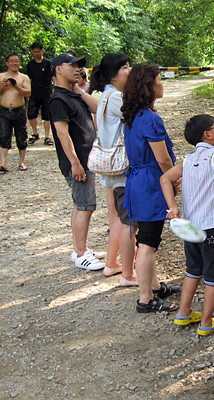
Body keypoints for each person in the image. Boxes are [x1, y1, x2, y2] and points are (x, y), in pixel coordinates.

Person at [161, 114, 214, 335]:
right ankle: (205, 322)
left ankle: (183, 313)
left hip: (190, 226)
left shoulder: (188, 160)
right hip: (213, 226)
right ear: (208, 134)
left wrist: (173, 206)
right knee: (213, 276)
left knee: (193, 270)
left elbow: (164, 178)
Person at [122, 62, 180, 312]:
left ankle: (153, 285)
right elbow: (163, 158)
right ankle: (145, 298)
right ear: (149, 86)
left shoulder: (133, 115)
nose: (162, 84)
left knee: (146, 237)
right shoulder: (150, 119)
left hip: (137, 181)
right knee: (148, 241)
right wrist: (172, 179)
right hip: (150, 183)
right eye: (159, 79)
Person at [49, 53, 105, 270]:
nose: (78, 69)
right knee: (85, 205)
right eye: (71, 65)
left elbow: (96, 108)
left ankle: (79, 248)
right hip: (78, 161)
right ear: (58, 70)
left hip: (85, 159)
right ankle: (81, 253)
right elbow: (62, 134)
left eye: (79, 66)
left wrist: (79, 90)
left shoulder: (72, 94)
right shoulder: (57, 99)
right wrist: (74, 162)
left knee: (81, 204)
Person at [88, 52, 138, 285]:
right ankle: (128, 273)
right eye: (125, 67)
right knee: (130, 222)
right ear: (113, 75)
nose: (129, 71)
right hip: (122, 170)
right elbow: (138, 118)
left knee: (119, 218)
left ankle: (112, 263)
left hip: (113, 169)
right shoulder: (116, 97)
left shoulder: (107, 95)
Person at [0, 53, 31, 172]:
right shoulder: (1, 76)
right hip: (5, 110)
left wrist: (16, 86)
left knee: (21, 136)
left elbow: (28, 93)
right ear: (7, 63)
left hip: (19, 110)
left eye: (16, 61)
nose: (14, 63)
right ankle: (3, 163)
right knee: (3, 135)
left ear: (19, 63)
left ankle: (22, 162)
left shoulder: (24, 77)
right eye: (11, 61)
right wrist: (3, 85)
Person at [27, 42, 53, 146]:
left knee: (46, 115)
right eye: (34, 52)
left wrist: (54, 89)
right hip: (34, 92)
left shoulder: (48, 63)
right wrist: (28, 91)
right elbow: (29, 78)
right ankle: (35, 133)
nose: (36, 54)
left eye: (38, 51)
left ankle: (47, 136)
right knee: (31, 114)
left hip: (46, 92)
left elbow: (52, 77)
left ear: (42, 51)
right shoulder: (30, 64)